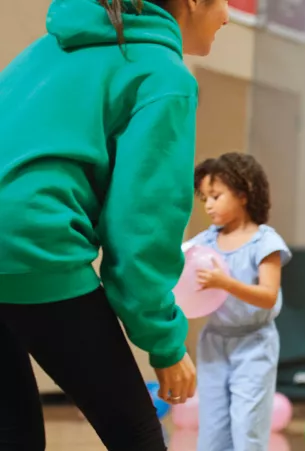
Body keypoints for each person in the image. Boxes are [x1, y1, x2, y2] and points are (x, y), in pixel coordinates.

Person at [0, 0, 228, 449]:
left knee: (13, 434)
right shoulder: (163, 75)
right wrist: (164, 343)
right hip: (32, 248)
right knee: (137, 437)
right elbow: (140, 229)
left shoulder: (43, 51)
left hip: (17, 243)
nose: (226, 16)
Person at [184, 153, 291, 451]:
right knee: (212, 433)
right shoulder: (203, 243)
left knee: (247, 429)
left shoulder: (264, 242)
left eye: (216, 196)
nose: (208, 205)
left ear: (243, 194)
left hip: (254, 344)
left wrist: (225, 283)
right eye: (204, 197)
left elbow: (268, 296)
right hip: (214, 343)